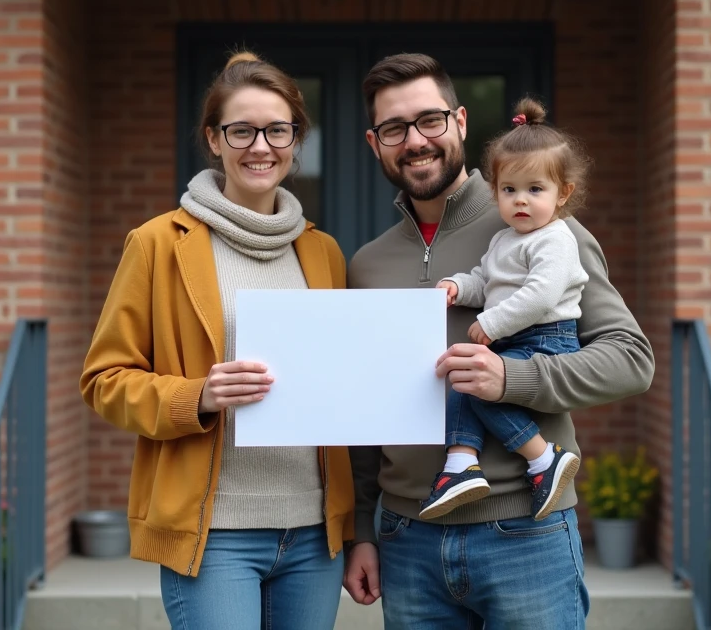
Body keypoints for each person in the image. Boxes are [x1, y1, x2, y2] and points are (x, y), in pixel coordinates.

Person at [343, 53, 654, 630]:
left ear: (460, 121)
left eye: (429, 120)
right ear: (374, 141)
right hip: (407, 540)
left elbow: (631, 360)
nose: (415, 140)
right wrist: (362, 531)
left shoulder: (536, 221)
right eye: (394, 128)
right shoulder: (367, 264)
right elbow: (364, 417)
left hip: (525, 535)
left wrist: (513, 379)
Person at [80, 51, 354, 630]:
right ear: (214, 139)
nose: (261, 146)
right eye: (242, 130)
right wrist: (197, 396)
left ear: (296, 138)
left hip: (313, 533)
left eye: (278, 129)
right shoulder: (157, 243)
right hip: (214, 535)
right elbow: (104, 380)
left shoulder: (322, 251)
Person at [420, 96, 588, 523]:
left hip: (546, 338)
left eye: (535, 190)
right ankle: (460, 465)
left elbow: (541, 294)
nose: (521, 201)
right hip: (517, 338)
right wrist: (460, 286)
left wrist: (490, 323)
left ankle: (543, 458)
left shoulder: (556, 238)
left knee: (480, 387)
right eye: (509, 190)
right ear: (495, 192)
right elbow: (489, 280)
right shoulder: (505, 239)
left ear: (562, 193)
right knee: (464, 381)